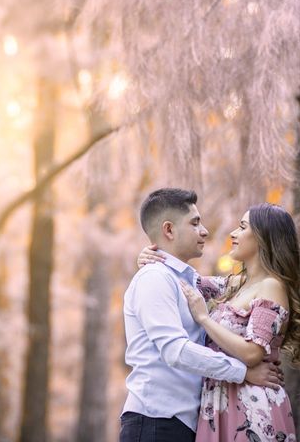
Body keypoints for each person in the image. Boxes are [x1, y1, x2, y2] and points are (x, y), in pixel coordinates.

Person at [121, 189, 283, 442]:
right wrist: (244, 372)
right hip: (156, 420)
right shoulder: (155, 278)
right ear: (169, 230)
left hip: (183, 423)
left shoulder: (190, 283)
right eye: (195, 223)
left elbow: (244, 288)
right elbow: (175, 351)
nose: (205, 231)